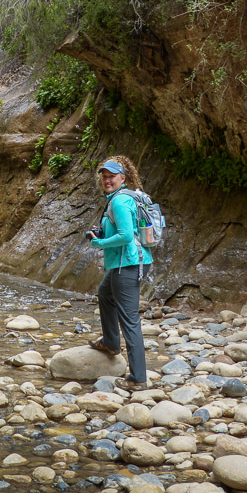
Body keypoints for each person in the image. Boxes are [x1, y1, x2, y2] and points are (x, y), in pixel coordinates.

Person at [87, 155, 153, 391]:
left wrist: (99, 244)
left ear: (122, 178)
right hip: (128, 263)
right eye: (104, 176)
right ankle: (111, 343)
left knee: (129, 320)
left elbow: (126, 236)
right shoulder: (121, 198)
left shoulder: (118, 202)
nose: (107, 180)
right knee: (105, 292)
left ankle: (138, 379)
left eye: (112, 176)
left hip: (128, 265)